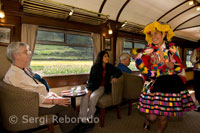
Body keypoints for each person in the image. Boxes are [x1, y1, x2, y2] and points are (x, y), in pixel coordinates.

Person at [3, 42, 91, 133]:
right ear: (16, 55)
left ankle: (76, 125)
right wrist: (54, 100)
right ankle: (73, 129)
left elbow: (34, 87)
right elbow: (31, 96)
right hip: (31, 107)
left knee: (63, 101)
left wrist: (49, 94)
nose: (29, 54)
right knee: (65, 104)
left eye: (28, 51)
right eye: (25, 52)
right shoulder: (14, 76)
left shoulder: (24, 69)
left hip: (37, 100)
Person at [132, 21, 195, 133]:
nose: (153, 37)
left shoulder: (172, 49)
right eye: (151, 34)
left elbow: (180, 67)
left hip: (169, 84)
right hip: (153, 84)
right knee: (152, 117)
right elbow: (142, 66)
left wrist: (173, 66)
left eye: (156, 33)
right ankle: (147, 121)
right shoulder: (148, 50)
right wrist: (138, 60)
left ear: (164, 34)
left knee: (163, 116)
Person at [79, 50, 122, 124]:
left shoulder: (109, 66)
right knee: (85, 97)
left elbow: (119, 72)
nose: (107, 57)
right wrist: (89, 89)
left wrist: (115, 77)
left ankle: (89, 118)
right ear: (101, 57)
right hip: (92, 86)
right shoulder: (95, 67)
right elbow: (91, 79)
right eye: (105, 56)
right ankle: (82, 118)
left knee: (93, 97)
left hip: (101, 87)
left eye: (108, 56)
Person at [190, 47, 200, 112]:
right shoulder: (196, 50)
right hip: (197, 72)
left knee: (198, 89)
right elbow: (193, 60)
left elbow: (193, 60)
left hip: (198, 72)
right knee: (197, 89)